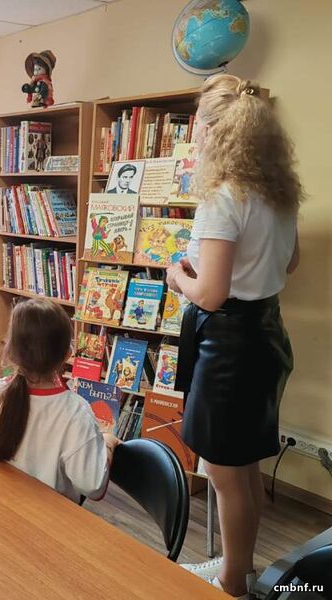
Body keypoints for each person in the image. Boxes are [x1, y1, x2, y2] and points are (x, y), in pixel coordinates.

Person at [166, 75, 301, 600]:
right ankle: (238, 568)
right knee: (245, 468)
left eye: (199, 125)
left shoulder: (223, 198)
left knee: (224, 473)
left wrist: (179, 277)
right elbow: (289, 264)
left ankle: (232, 582)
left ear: (214, 132)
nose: (195, 136)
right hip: (267, 334)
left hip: (229, 347)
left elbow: (211, 294)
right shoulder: (279, 196)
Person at [0, 298, 120, 503]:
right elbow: (93, 486)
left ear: (10, 351)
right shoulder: (76, 412)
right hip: (47, 519)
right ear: (68, 354)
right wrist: (108, 443)